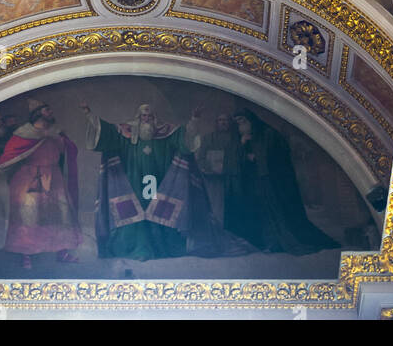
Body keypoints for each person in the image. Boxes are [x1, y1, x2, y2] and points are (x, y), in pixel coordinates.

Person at [81, 100, 218, 261]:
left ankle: (159, 247)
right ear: (138, 117)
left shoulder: (166, 132)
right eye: (143, 115)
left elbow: (185, 142)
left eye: (149, 116)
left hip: (159, 180)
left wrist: (194, 120)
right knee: (135, 212)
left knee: (157, 210)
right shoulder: (126, 131)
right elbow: (106, 133)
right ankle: (134, 247)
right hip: (132, 180)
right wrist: (89, 115)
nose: (146, 119)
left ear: (154, 117)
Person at [0, 98, 80, 270]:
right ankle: (26, 254)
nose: (51, 113)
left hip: (53, 177)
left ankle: (61, 252)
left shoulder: (56, 132)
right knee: (28, 216)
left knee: (60, 215)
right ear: (40, 113)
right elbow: (10, 156)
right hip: (29, 178)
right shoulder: (24, 133)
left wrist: (59, 140)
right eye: (48, 110)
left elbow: (68, 150)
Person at [222, 111, 338, 254]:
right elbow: (232, 163)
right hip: (252, 185)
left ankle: (280, 242)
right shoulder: (237, 140)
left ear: (251, 121)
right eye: (238, 123)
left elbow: (278, 158)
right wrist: (242, 146)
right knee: (261, 215)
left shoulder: (268, 135)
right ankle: (269, 243)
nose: (241, 126)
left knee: (277, 214)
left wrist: (257, 158)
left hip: (270, 183)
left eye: (243, 121)